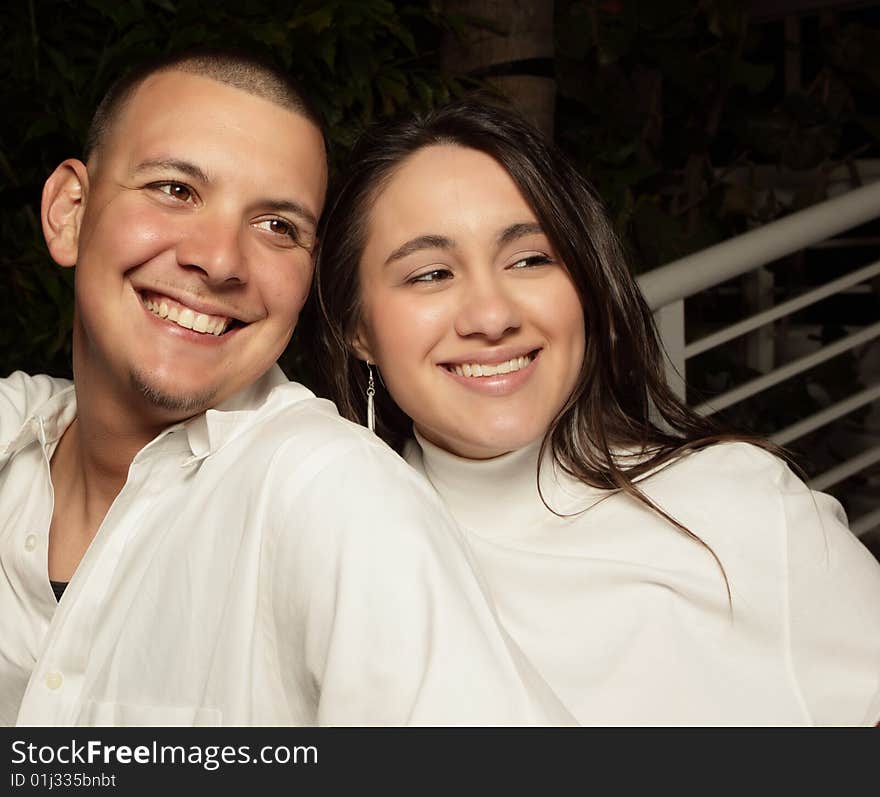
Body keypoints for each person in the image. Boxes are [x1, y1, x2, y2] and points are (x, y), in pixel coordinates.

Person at [0, 53, 574, 727]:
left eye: (278, 226)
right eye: (176, 190)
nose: (218, 260)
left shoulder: (335, 497)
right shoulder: (13, 434)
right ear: (71, 212)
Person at [308, 98, 880, 726]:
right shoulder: (325, 552)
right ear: (357, 327)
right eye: (431, 274)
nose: (492, 317)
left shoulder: (741, 506)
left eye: (529, 260)